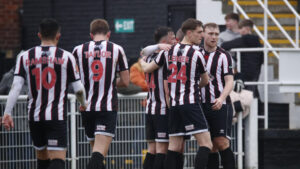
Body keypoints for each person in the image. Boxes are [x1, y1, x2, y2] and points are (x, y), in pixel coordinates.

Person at [1, 18, 87, 169]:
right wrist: (83, 104)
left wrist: (7, 112)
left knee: (42, 159)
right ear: (58, 36)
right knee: (58, 160)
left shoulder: (25, 56)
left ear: (39, 35)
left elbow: (15, 87)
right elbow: (79, 89)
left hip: (34, 117)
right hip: (56, 116)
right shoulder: (66, 57)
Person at [140, 18, 212, 169]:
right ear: (189, 33)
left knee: (173, 147)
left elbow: (150, 67)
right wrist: (192, 85)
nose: (202, 36)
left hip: (173, 105)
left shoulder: (168, 52)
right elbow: (205, 80)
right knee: (206, 144)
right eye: (199, 32)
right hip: (190, 103)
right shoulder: (197, 53)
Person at [72, 18, 129, 169]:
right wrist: (109, 80)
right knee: (98, 155)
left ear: (91, 35)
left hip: (86, 107)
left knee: (97, 154)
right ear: (108, 34)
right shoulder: (116, 49)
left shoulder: (78, 50)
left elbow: (73, 81)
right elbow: (125, 81)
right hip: (106, 107)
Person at [198, 23, 235, 169]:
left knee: (221, 142)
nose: (214, 37)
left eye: (216, 34)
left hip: (220, 104)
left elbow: (229, 81)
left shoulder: (224, 56)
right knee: (209, 145)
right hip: (201, 105)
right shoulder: (197, 53)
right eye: (210, 34)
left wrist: (221, 98)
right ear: (203, 35)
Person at [139, 26, 176, 169]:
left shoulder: (147, 57)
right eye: (172, 38)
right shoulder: (165, 57)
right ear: (165, 40)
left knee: (152, 150)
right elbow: (167, 89)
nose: (175, 40)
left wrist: (157, 46)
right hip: (162, 109)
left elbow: (142, 53)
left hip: (150, 109)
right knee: (162, 150)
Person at [221, 19, 263, 98]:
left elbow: (224, 45)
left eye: (240, 28)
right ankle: (259, 109)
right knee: (253, 89)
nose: (239, 31)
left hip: (244, 71)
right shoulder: (258, 42)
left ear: (247, 29)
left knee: (243, 92)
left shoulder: (243, 40)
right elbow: (262, 59)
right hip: (256, 71)